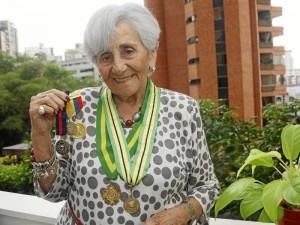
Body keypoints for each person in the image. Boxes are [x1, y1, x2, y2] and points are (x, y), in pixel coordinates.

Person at [29, 3, 219, 225]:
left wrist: (181, 214)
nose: (118, 67)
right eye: (106, 57)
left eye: (128, 51)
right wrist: (40, 134)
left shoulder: (183, 110)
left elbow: (207, 186)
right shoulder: (76, 107)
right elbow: (52, 192)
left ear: (151, 55)